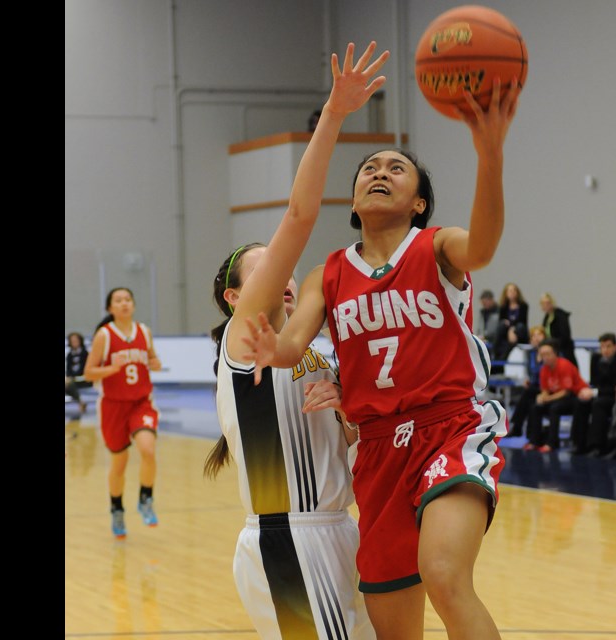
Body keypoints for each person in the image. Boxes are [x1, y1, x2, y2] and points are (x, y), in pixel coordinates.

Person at [242, 71, 521, 640]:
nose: (378, 172)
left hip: (450, 431)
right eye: (369, 168)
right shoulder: (330, 273)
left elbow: (485, 247)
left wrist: (489, 156)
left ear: (418, 201)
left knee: (443, 575)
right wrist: (272, 348)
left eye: (396, 168)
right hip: (376, 451)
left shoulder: (437, 246)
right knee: (392, 626)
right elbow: (293, 344)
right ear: (354, 197)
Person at [204, 41, 387, 640]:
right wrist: (334, 115)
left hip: (341, 530)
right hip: (289, 536)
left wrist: (352, 413)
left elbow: (352, 454)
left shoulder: (313, 354)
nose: (281, 277)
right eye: (263, 271)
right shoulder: (244, 338)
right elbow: (301, 216)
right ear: (236, 299)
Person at [83, 287, 163, 539]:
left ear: (133, 304)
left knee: (148, 450)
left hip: (141, 403)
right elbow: (88, 373)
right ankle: (117, 509)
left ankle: (145, 499)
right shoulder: (104, 336)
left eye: (128, 299)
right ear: (110, 308)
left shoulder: (144, 331)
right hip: (113, 406)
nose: (124, 303)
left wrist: (155, 363)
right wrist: (111, 369)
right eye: (118, 300)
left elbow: (152, 360)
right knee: (119, 463)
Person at [523, 338, 588, 453]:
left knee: (555, 408)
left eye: (548, 354)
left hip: (574, 397)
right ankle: (534, 441)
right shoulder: (544, 369)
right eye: (542, 355)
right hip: (556, 397)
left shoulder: (564, 365)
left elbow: (565, 392)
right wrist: (542, 397)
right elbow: (545, 390)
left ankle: (552, 443)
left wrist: (548, 398)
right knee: (536, 407)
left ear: (555, 354)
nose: (545, 357)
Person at [569, 333, 616, 456]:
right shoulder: (595, 358)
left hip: (615, 395)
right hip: (602, 392)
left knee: (598, 404)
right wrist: (588, 392)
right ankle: (578, 443)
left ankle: (596, 446)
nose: (605, 350)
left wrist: (595, 392)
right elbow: (595, 382)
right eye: (602, 347)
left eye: (608, 346)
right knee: (581, 402)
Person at [502, 324, 546, 438]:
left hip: (546, 387)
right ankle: (527, 431)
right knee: (528, 396)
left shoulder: (549, 354)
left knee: (527, 394)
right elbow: (532, 373)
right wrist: (528, 381)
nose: (536, 338)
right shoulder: (530, 354)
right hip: (535, 387)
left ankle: (517, 426)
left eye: (539, 335)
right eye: (533, 336)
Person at [539, 292, 577, 369]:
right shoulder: (547, 317)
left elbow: (565, 335)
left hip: (562, 349)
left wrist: (552, 345)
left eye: (548, 303)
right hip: (552, 348)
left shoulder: (560, 315)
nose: (546, 305)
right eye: (543, 303)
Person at [492, 282, 529, 360]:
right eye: (509, 291)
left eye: (514, 290)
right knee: (501, 325)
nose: (512, 293)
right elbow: (501, 320)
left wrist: (512, 328)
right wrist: (509, 328)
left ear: (517, 293)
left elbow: (522, 321)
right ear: (506, 293)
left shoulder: (523, 305)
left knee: (519, 327)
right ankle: (494, 352)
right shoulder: (503, 306)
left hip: (519, 332)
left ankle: (505, 355)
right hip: (506, 332)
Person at [65, 331, 91, 414]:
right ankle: (80, 402)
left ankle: (80, 402)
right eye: (72, 341)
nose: (74, 342)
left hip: (84, 378)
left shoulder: (85, 353)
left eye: (76, 340)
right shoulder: (70, 355)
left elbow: (87, 369)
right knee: (68, 383)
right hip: (73, 380)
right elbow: (69, 370)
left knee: (69, 383)